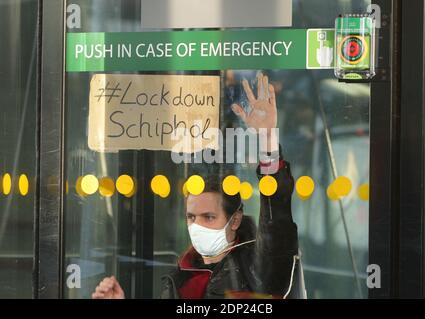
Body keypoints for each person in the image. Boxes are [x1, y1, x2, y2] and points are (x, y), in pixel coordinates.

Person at [92, 73, 299, 299]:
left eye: (208, 217)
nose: (197, 226)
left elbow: (276, 215)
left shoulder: (259, 268)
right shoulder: (180, 275)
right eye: (191, 217)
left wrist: (267, 138)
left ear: (235, 219)